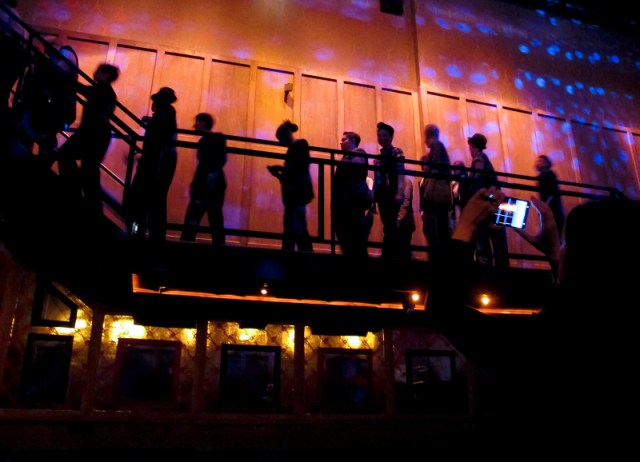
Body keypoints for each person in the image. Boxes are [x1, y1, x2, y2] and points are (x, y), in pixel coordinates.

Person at [426, 186, 640, 455]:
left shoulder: (548, 341)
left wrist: (465, 225)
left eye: (567, 244)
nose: (561, 249)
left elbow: (443, 309)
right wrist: (554, 254)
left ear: (578, 261)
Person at [56, 63, 119, 225]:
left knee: (71, 159)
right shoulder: (106, 92)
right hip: (95, 135)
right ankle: (93, 213)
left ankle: (77, 192)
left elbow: (84, 90)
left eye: (98, 70)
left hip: (92, 134)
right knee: (89, 172)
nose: (94, 72)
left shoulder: (102, 90)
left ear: (105, 75)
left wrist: (68, 76)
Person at [127, 86, 178, 241]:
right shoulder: (167, 115)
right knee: (155, 202)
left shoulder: (163, 115)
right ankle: (154, 237)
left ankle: (139, 233)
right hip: (158, 163)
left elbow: (156, 139)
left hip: (154, 164)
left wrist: (145, 160)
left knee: (141, 200)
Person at [19, 44, 79, 168]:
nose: (61, 63)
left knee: (46, 157)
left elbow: (70, 115)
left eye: (67, 61)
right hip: (30, 119)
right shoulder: (41, 71)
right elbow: (27, 91)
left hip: (48, 129)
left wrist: (55, 125)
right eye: (60, 58)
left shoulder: (69, 87)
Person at [462, 133, 508, 267]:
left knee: (485, 243)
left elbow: (477, 182)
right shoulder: (484, 159)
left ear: (473, 145)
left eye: (469, 146)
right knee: (497, 244)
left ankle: (488, 278)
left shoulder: (479, 160)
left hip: (487, 207)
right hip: (492, 205)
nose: (469, 149)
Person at [180, 112, 227, 245]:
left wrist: (199, 183)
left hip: (204, 186)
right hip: (213, 185)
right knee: (215, 220)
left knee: (193, 220)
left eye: (197, 122)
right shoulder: (217, 139)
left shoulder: (207, 140)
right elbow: (220, 161)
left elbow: (208, 163)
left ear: (204, 122)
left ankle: (184, 248)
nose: (195, 125)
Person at [267, 119, 314, 252]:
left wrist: (281, 169)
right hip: (296, 194)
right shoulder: (298, 146)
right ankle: (301, 257)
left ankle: (292, 256)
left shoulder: (300, 145)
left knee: (294, 228)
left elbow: (299, 166)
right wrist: (279, 173)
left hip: (297, 194)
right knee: (296, 228)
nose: (280, 143)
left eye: (281, 139)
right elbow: (296, 169)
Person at [332, 131, 372, 258]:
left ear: (353, 141)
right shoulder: (349, 157)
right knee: (348, 244)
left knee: (354, 244)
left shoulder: (359, 154)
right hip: (346, 206)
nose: (340, 142)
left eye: (344, 139)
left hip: (351, 206)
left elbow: (357, 166)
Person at [373, 121, 406, 259]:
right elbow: (378, 178)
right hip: (382, 195)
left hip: (392, 193)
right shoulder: (379, 156)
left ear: (391, 137)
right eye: (379, 135)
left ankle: (391, 256)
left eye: (385, 135)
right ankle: (389, 255)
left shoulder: (396, 151)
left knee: (391, 226)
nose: (382, 138)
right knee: (387, 225)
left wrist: (399, 192)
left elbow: (401, 172)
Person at [418, 123, 452, 257]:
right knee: (439, 231)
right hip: (438, 199)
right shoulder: (438, 148)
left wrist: (428, 192)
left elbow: (435, 171)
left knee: (436, 232)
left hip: (435, 198)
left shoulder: (436, 146)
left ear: (428, 135)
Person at [535, 154, 565, 238]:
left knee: (554, 235)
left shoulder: (550, 174)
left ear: (547, 163)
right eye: (538, 161)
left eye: (541, 161)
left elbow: (553, 191)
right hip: (548, 209)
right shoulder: (540, 176)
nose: (538, 162)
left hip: (553, 209)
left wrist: (546, 205)